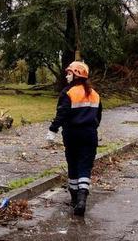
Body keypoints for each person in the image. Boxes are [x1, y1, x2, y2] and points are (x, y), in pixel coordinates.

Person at [46, 61, 102, 216]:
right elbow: (98, 117)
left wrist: (52, 130)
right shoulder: (94, 94)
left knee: (73, 164)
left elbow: (62, 113)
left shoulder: (68, 92)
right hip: (90, 134)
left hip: (72, 135)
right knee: (85, 165)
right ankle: (83, 198)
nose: (67, 76)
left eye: (69, 73)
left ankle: (74, 198)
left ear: (76, 74)